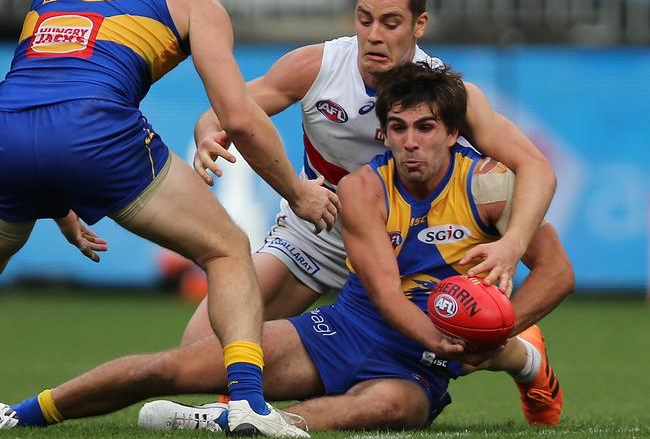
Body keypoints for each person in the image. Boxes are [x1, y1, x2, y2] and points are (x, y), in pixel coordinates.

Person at [0, 62, 574, 433]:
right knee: (175, 364)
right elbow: (381, 290)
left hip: (414, 371)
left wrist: (499, 327)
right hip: (348, 333)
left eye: (425, 129)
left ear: (454, 133)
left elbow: (556, 274)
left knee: (390, 410)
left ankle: (231, 421)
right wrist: (442, 342)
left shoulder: (490, 186)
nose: (410, 142)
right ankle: (24, 413)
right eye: (398, 128)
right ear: (385, 133)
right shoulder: (362, 188)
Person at [0, 0, 339, 436]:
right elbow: (239, 116)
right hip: (95, 128)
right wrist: (298, 192)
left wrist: (55, 200)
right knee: (226, 250)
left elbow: (43, 90)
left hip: (7, 129)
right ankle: (246, 403)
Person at [182, 0, 557, 346]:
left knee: (444, 351)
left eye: (391, 23)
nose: (374, 35)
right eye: (365, 19)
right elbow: (223, 112)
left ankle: (524, 353)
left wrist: (512, 244)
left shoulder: (447, 95)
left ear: (419, 25)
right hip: (324, 230)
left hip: (417, 243)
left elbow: (536, 167)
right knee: (201, 342)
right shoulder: (316, 67)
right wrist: (209, 133)